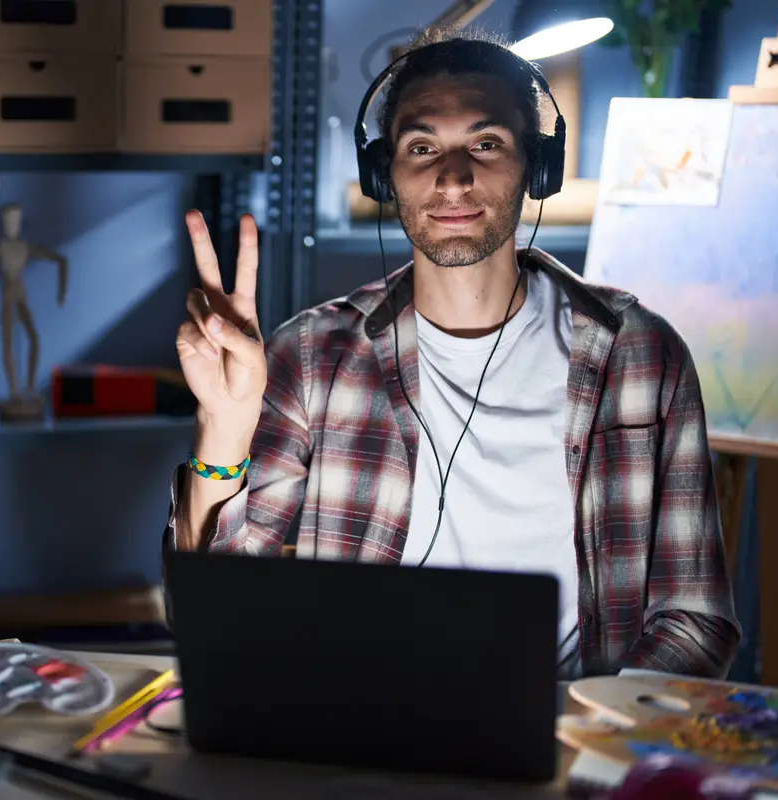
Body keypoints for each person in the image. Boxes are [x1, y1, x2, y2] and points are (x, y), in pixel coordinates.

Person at [164, 26, 740, 680]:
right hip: (370, 738)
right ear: (386, 175)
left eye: (487, 143)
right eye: (421, 145)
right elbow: (211, 617)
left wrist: (587, 735)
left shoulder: (642, 355)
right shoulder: (312, 357)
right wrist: (224, 426)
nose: (453, 177)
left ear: (537, 167)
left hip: (575, 749)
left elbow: (696, 619)